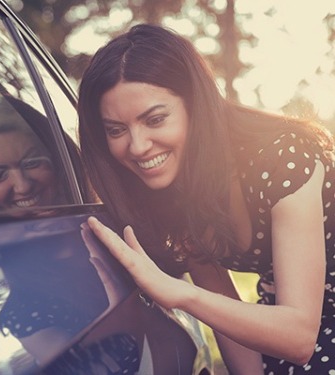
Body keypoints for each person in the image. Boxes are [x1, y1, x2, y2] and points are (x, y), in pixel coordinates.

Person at [77, 23, 335, 374]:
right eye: (116, 130)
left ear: (195, 106)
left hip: (303, 323)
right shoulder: (173, 190)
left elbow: (300, 337)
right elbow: (227, 313)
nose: (137, 147)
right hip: (283, 321)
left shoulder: (283, 157)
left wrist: (177, 293)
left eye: (155, 119)